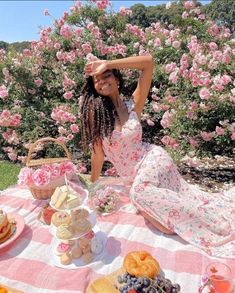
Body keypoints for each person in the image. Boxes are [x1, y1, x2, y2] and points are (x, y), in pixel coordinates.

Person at [81, 55, 235, 258]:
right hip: (133, 176)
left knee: (141, 194)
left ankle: (217, 224)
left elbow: (148, 63)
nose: (101, 81)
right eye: (96, 80)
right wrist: (92, 183)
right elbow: (97, 154)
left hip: (152, 159)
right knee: (163, 223)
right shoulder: (97, 114)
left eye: (106, 75)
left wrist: (108, 63)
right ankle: (186, 216)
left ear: (116, 78)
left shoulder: (132, 104)